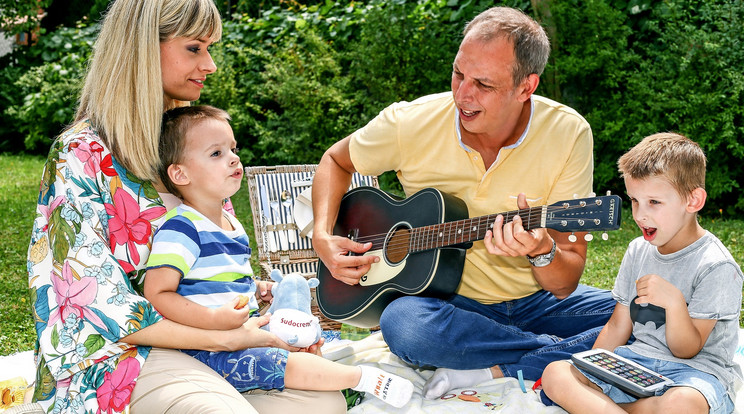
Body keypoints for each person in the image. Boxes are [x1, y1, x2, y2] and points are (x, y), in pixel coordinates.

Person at [26, 0, 345, 413]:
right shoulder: (80, 154)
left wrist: (268, 314)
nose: (210, 64)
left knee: (324, 402)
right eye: (195, 48)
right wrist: (225, 338)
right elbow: (94, 310)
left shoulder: (198, 146)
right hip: (123, 355)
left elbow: (218, 269)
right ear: (141, 50)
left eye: (210, 48)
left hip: (211, 347)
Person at [311, 6, 616, 399]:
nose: (462, 94)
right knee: (404, 325)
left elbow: (565, 283)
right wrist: (322, 234)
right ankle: (559, 352)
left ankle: (503, 361)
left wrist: (541, 251)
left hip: (537, 302)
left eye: (483, 85)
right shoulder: (411, 122)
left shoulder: (568, 133)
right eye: (458, 73)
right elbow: (335, 160)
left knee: (644, 314)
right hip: (449, 307)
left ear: (526, 87)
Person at [143, 104, 414, 408]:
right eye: (216, 154)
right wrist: (213, 318)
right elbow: (156, 292)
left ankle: (332, 379)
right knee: (277, 360)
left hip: (242, 330)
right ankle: (360, 379)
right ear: (180, 173)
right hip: (206, 351)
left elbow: (225, 277)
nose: (234, 158)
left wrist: (258, 289)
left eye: (233, 149)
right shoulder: (182, 227)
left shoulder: (229, 223)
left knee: (302, 342)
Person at [541, 133, 743, 414]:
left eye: (654, 203)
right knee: (556, 373)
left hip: (694, 375)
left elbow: (688, 349)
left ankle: (617, 408)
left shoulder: (716, 266)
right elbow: (617, 326)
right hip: (635, 364)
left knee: (681, 404)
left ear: (693, 200)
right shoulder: (638, 250)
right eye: (635, 201)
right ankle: (637, 408)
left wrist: (674, 303)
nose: (640, 215)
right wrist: (591, 365)